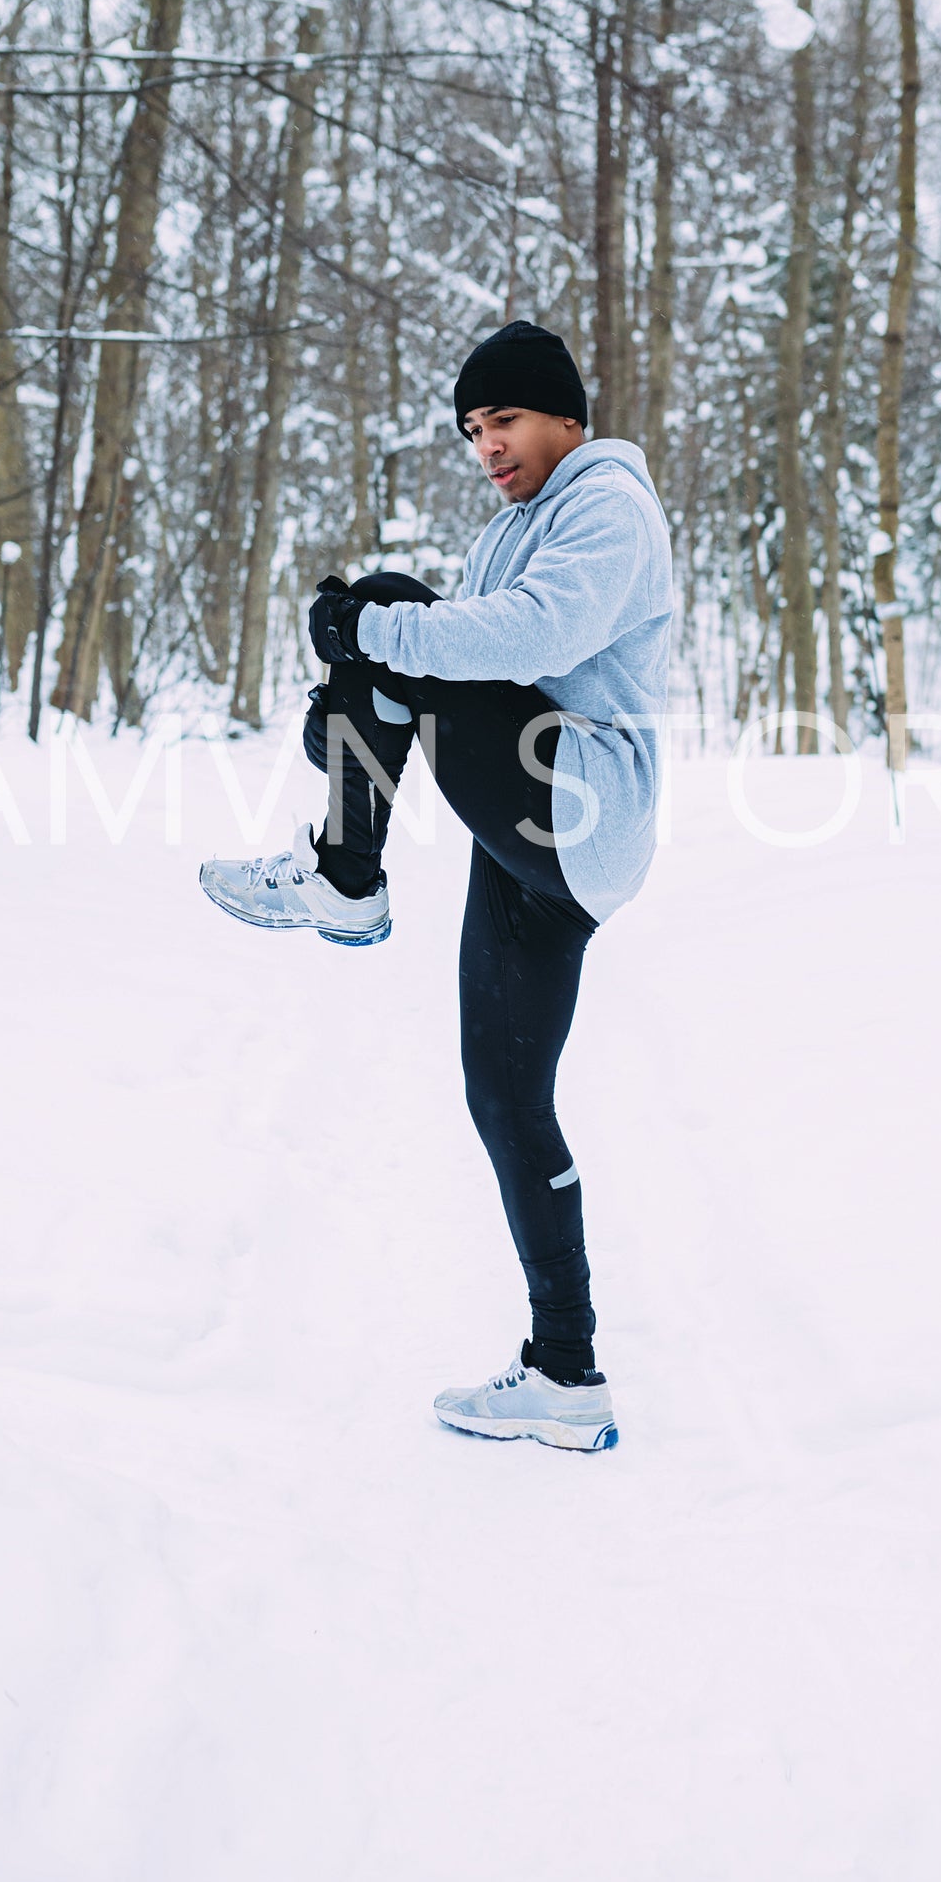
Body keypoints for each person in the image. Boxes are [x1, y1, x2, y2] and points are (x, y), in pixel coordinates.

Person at [200, 319, 673, 1452]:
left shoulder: (608, 505)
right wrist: (353, 706)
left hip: (580, 797)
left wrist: (370, 635)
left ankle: (342, 879)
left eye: (503, 420)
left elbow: (526, 634)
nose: (487, 447)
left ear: (565, 414)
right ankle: (567, 1372)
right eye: (471, 429)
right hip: (542, 840)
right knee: (505, 1101)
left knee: (393, 601)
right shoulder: (514, 527)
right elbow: (437, 670)